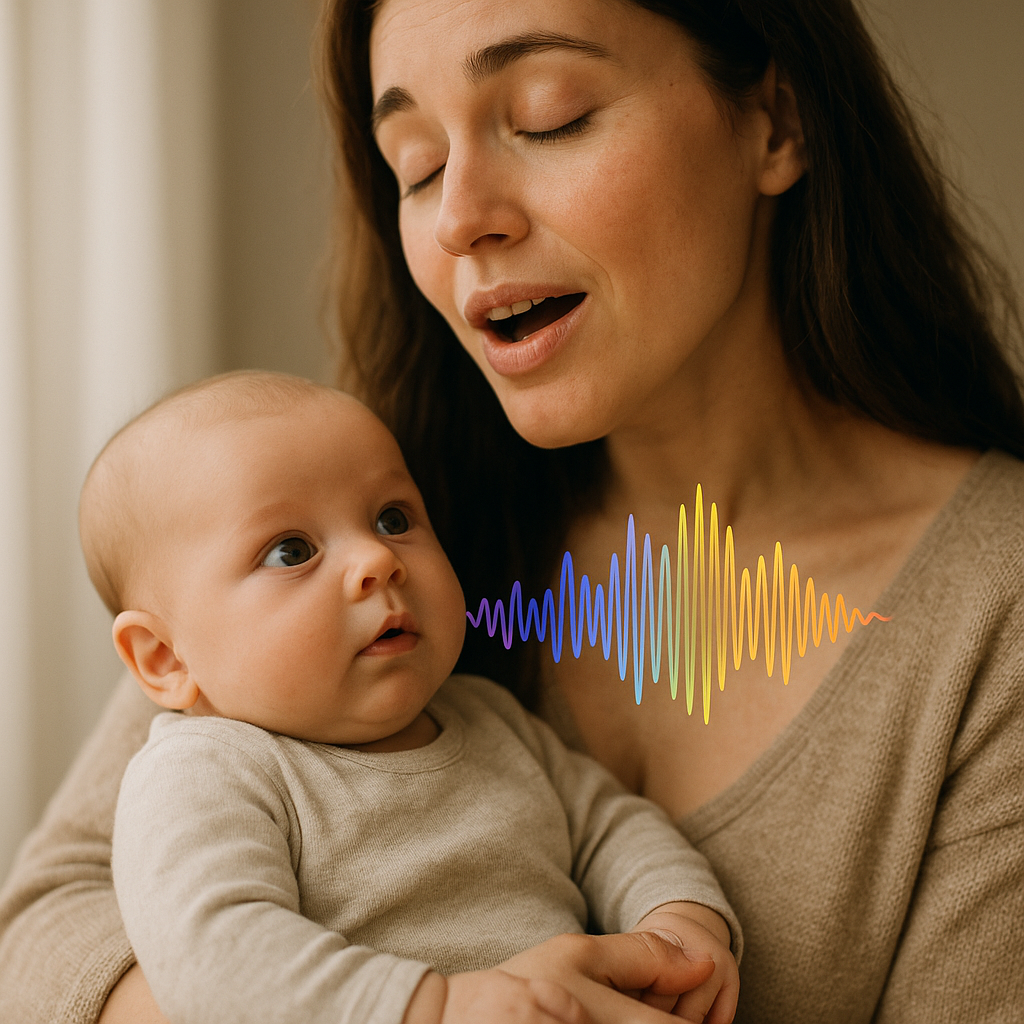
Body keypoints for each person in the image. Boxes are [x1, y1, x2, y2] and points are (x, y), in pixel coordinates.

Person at [1, 0, 1022, 1021]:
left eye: (549, 115)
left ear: (776, 121)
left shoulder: (991, 611)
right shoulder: (343, 507)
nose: (459, 218)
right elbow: (46, 928)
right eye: (415, 165)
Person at [83, 369, 740, 1024]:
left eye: (393, 518)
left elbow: (607, 829)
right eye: (291, 551)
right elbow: (215, 956)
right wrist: (430, 1007)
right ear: (165, 658)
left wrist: (675, 912)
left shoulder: (489, 718)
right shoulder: (205, 774)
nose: (377, 559)